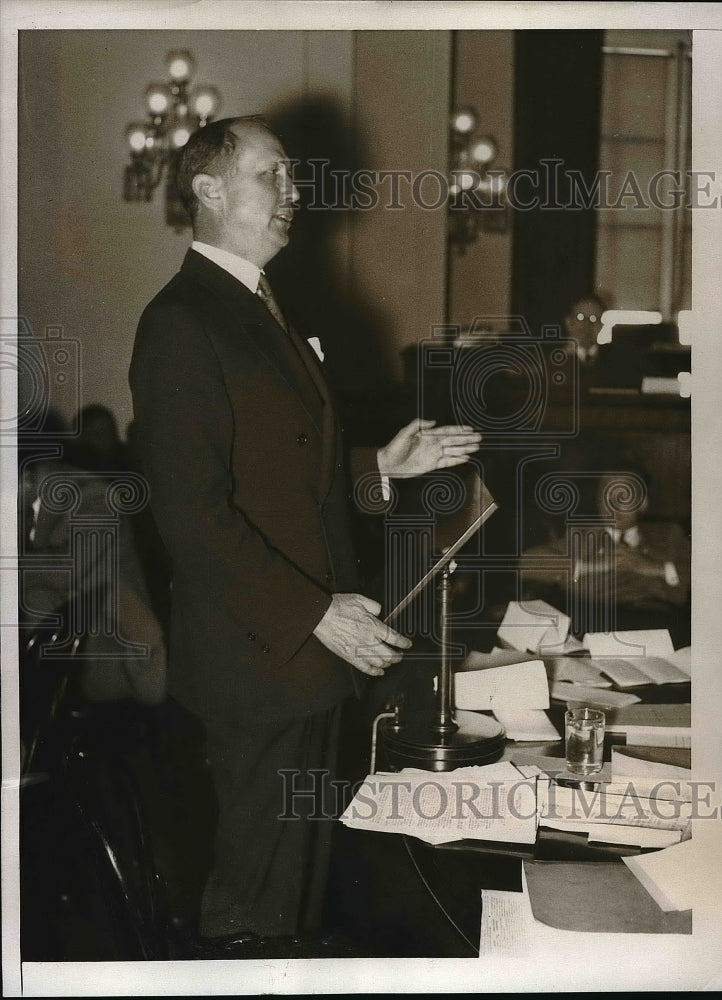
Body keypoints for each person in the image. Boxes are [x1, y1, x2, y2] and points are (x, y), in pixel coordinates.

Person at [129, 116, 481, 957]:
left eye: (294, 178)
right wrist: (315, 613)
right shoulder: (182, 322)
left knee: (297, 899)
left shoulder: (258, 304)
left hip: (303, 661)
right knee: (255, 911)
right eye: (271, 177)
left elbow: (287, 482)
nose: (294, 196)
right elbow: (192, 517)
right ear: (208, 192)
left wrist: (380, 470)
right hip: (260, 662)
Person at [520, 465, 690, 643]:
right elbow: (527, 563)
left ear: (643, 503)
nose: (612, 506)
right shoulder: (580, 536)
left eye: (623, 496)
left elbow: (708, 574)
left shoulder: (669, 536)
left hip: (655, 626)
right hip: (590, 624)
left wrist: (653, 567)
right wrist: (596, 566)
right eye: (606, 497)